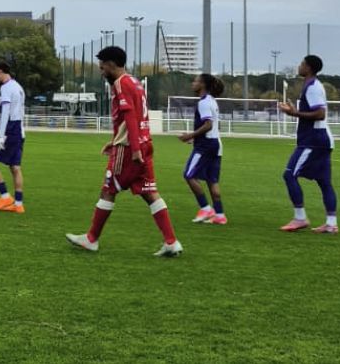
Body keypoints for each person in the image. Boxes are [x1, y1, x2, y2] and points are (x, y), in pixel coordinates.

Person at [66, 46, 182, 257]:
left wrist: (133, 148)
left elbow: (129, 115)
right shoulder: (135, 82)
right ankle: (171, 241)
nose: (101, 72)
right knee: (149, 193)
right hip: (145, 142)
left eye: (102, 68)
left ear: (111, 64)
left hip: (131, 148)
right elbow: (133, 117)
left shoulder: (120, 84)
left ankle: (91, 239)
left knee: (108, 190)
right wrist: (115, 141)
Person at [279, 55, 338, 234]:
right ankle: (331, 223)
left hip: (314, 141)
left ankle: (300, 218)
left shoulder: (312, 87)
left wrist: (295, 113)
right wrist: (295, 112)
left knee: (289, 175)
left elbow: (320, 114)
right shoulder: (313, 85)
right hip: (321, 140)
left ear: (309, 68)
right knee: (324, 182)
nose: (299, 66)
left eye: (302, 64)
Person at [177, 73, 227, 225]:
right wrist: (195, 138)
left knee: (189, 174)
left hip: (206, 145)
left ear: (203, 85)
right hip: (215, 144)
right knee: (212, 180)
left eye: (196, 81)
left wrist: (190, 135)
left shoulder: (204, 102)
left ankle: (205, 208)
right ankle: (219, 215)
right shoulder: (212, 101)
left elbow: (208, 125)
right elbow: (216, 125)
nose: (193, 83)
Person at [0, 62, 25, 213]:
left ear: (0, 71)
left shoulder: (6, 87)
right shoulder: (18, 86)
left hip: (10, 129)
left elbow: (6, 112)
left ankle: (5, 197)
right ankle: (18, 204)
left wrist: (1, 135)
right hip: (20, 129)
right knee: (15, 167)